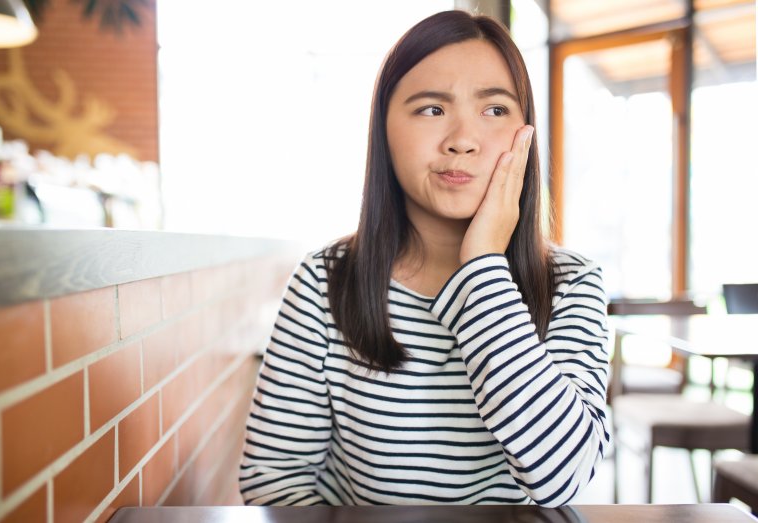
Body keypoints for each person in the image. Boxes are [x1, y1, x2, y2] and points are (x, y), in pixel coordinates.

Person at [239, 10, 609, 507]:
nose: (462, 138)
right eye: (431, 109)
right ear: (384, 132)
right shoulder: (325, 281)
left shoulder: (572, 283)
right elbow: (273, 480)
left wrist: (482, 267)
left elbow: (563, 479)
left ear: (526, 131)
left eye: (494, 110)